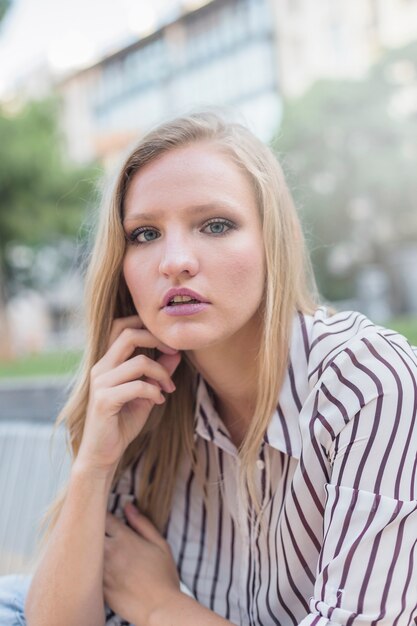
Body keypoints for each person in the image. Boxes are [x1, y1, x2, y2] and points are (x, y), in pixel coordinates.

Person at [2, 111, 416, 626]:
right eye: (145, 233)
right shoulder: (146, 397)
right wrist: (95, 462)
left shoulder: (367, 379)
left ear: (276, 238)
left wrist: (159, 607)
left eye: (215, 225)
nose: (174, 260)